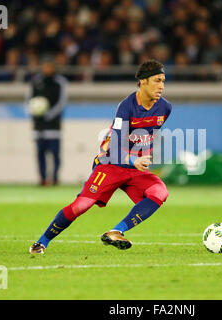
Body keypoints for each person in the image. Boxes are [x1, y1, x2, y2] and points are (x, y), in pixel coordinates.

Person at [29, 59, 172, 254]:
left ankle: (116, 231)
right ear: (143, 81)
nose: (162, 86)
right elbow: (115, 146)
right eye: (157, 80)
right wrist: (133, 159)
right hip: (111, 164)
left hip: (135, 169)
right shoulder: (126, 106)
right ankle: (41, 242)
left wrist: (143, 154)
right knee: (81, 206)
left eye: (163, 81)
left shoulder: (165, 108)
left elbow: (147, 134)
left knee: (160, 192)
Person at [27, 59, 68, 186]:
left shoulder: (59, 82)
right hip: (39, 126)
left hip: (53, 127)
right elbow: (29, 100)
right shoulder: (35, 82)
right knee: (40, 155)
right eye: (45, 66)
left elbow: (61, 102)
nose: (47, 69)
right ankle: (43, 179)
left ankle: (55, 178)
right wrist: (35, 113)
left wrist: (48, 114)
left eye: (49, 66)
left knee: (55, 155)